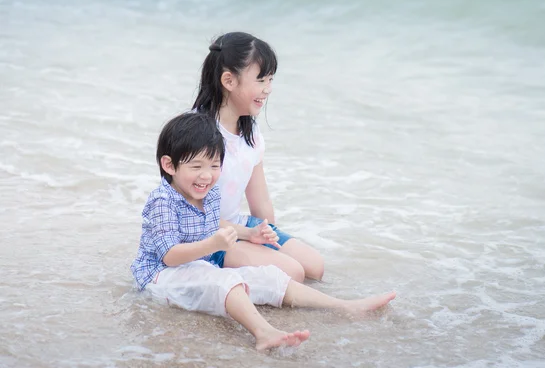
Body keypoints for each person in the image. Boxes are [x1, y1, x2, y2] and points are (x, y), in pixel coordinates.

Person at [130, 113, 396, 351]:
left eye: (214, 166)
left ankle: (345, 306)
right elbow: (170, 256)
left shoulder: (208, 195)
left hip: (198, 265)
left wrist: (249, 234)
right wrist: (212, 246)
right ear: (169, 165)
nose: (207, 175)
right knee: (225, 281)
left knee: (268, 277)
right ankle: (264, 332)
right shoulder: (163, 201)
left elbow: (213, 224)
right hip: (161, 277)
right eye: (196, 166)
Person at [191, 31, 324, 283]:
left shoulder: (251, 135)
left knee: (314, 267)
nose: (268, 90)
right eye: (261, 80)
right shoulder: (197, 133)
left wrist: (266, 236)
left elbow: (261, 203)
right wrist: (245, 235)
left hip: (239, 225)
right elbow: (188, 212)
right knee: (292, 272)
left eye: (271, 80)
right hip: (205, 234)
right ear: (229, 81)